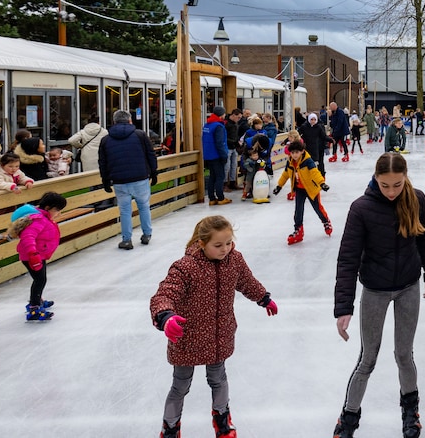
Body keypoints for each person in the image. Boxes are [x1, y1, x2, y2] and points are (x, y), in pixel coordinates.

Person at [333, 152, 425, 438]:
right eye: (385, 185)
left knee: (404, 354)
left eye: (397, 184)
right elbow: (348, 258)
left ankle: (410, 411)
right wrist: (344, 306)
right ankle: (349, 417)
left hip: (408, 287)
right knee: (368, 357)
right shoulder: (361, 208)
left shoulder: (416, 199)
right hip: (375, 290)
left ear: (405, 178)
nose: (391, 192)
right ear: (375, 179)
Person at [149, 215, 277, 438]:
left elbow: (247, 282)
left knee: (219, 379)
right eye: (218, 245)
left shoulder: (234, 261)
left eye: (228, 243)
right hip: (187, 338)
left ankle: (222, 419)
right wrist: (165, 316)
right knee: (180, 386)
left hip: (219, 335)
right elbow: (165, 293)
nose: (225, 249)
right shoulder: (185, 267)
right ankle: (170, 428)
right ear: (201, 244)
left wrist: (263, 298)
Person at [99, 110, 158, 250]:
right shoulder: (140, 135)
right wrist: (154, 172)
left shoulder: (106, 140)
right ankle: (147, 234)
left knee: (125, 210)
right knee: (143, 206)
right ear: (130, 120)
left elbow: (103, 162)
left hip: (119, 180)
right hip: (140, 177)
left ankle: (126, 239)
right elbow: (151, 155)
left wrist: (105, 180)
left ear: (114, 121)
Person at [8, 192, 68, 322]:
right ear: (47, 207)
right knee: (40, 280)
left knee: (40, 279)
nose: (59, 213)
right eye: (57, 210)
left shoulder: (43, 218)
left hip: (38, 255)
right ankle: (34, 308)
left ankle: (37, 300)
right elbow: (28, 237)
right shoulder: (39, 219)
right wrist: (33, 254)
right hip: (32, 256)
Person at [273, 140, 332, 244]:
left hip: (311, 188)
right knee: (298, 210)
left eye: (297, 152)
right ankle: (298, 230)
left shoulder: (307, 161)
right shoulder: (290, 162)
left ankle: (326, 221)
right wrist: (279, 186)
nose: (295, 155)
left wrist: (322, 183)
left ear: (302, 151)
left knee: (317, 207)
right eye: (292, 153)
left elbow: (315, 172)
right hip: (299, 189)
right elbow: (285, 174)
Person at [202, 106, 231, 206]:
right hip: (217, 155)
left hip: (208, 155)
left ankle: (211, 198)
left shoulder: (207, 125)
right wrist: (223, 155)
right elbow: (220, 143)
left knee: (212, 177)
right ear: (221, 114)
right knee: (220, 176)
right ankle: (220, 197)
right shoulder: (219, 126)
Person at [224, 110, 242, 191]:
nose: (238, 119)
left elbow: (236, 135)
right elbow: (225, 137)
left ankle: (232, 182)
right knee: (226, 166)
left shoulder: (235, 124)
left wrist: (237, 142)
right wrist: (234, 141)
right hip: (228, 146)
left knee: (234, 165)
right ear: (234, 115)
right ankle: (224, 183)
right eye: (238, 117)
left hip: (234, 147)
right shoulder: (227, 123)